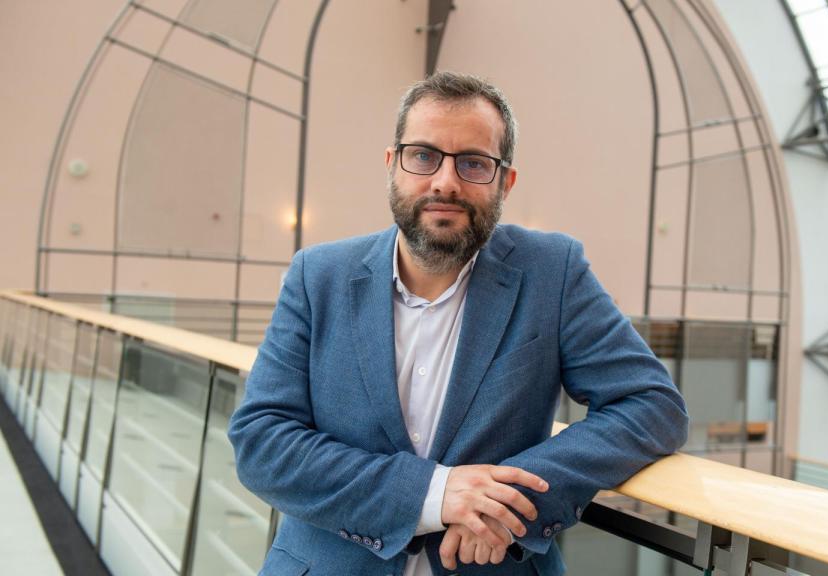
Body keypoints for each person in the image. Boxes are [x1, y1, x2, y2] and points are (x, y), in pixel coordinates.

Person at [228, 71, 689, 576]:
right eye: (424, 155)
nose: (445, 181)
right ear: (392, 165)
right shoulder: (317, 276)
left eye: (473, 162)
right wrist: (435, 494)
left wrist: (503, 503)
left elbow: (651, 405)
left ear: (505, 182)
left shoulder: (552, 271)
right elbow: (263, 440)